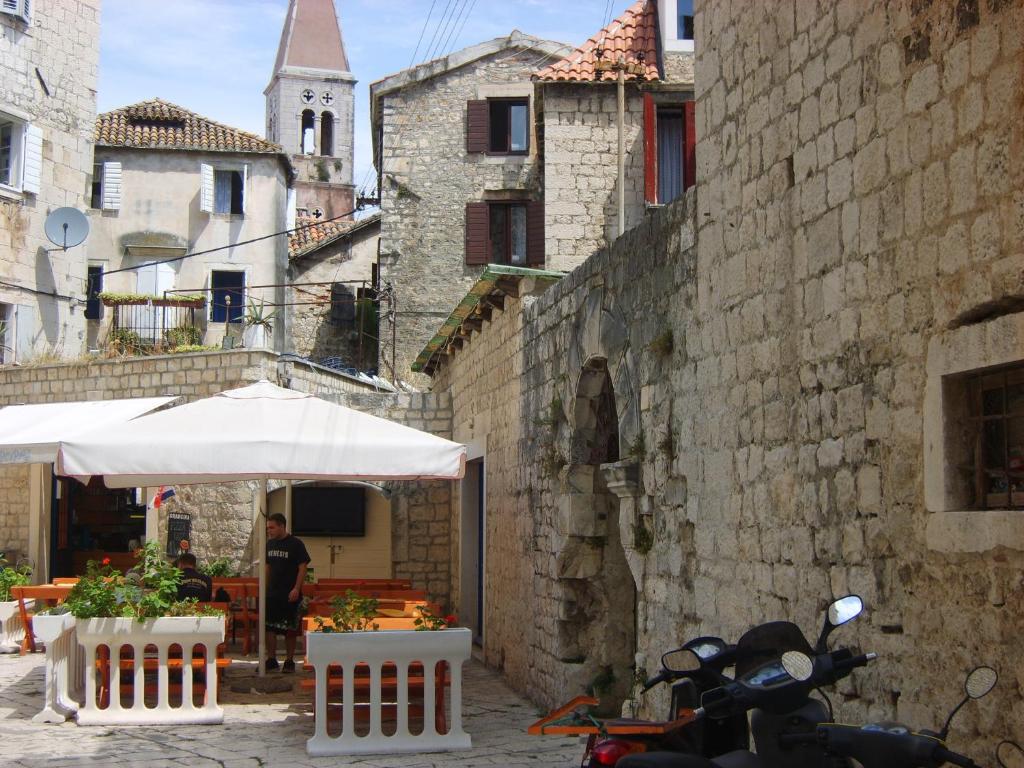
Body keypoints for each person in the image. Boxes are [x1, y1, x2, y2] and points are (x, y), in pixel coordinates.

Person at [265, 512, 310, 672]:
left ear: (282, 526)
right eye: (268, 528)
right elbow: (267, 566)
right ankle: (271, 659)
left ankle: (289, 660)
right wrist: (264, 587)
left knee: (289, 629)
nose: (269, 531)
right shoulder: (269, 544)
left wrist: (297, 588)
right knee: (269, 627)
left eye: (272, 527)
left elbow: (302, 567)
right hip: (272, 592)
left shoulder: (296, 544)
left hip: (289, 592)